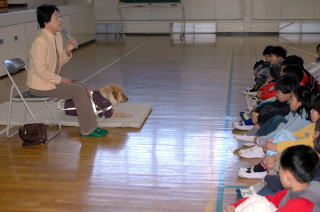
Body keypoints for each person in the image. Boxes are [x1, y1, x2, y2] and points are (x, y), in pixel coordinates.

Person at [26, 4, 107, 137]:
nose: (60, 20)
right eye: (56, 18)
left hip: (49, 81)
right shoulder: (39, 42)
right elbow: (40, 71)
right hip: (39, 86)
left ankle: (91, 126)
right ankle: (88, 129)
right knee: (78, 90)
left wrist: (67, 50)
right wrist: (61, 80)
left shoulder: (56, 36)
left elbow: (58, 62)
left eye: (59, 17)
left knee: (81, 86)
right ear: (46, 22)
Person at [225, 145, 320, 212]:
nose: (278, 173)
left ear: (288, 177)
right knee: (258, 200)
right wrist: (236, 206)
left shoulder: (300, 205)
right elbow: (270, 200)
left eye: (280, 169)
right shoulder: (294, 190)